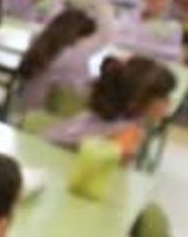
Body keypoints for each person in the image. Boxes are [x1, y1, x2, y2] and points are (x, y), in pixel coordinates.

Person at [43, 56, 177, 159]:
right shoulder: (128, 133)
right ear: (136, 101)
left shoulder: (104, 116)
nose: (170, 102)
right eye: (164, 97)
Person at [16, 0, 117, 113]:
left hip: (25, 113)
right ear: (80, 36)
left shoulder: (40, 43)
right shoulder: (73, 54)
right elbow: (108, 34)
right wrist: (101, 2)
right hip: (50, 118)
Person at [116, 0, 184, 62]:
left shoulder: (173, 27)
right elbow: (115, 40)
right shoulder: (128, 17)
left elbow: (174, 55)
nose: (161, 4)